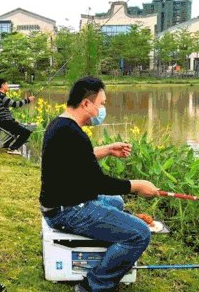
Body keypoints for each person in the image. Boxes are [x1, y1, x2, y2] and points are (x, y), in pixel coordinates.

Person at [40, 76, 160, 292]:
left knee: (116, 202)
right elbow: (97, 183)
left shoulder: (60, 125)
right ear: (86, 103)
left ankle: (113, 242)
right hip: (67, 211)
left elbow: (76, 159)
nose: (103, 109)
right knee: (141, 233)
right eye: (101, 104)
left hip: (62, 201)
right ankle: (93, 284)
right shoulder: (72, 133)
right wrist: (137, 185)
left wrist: (107, 149)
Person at [0, 78, 35, 155]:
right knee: (26, 132)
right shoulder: (2, 96)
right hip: (6, 123)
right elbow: (15, 104)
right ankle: (13, 148)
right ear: (2, 85)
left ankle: (6, 146)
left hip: (3, 122)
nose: (8, 86)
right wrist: (28, 100)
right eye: (6, 84)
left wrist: (13, 120)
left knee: (18, 128)